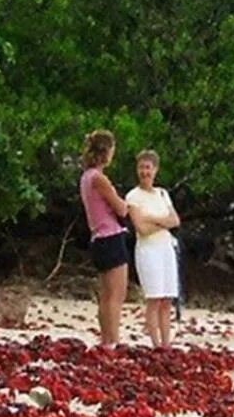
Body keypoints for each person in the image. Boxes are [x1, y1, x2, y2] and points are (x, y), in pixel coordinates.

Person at [124, 149, 182, 347]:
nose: (144, 172)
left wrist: (153, 219)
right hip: (148, 250)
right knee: (154, 298)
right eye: (141, 167)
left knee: (167, 299)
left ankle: (167, 343)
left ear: (155, 170)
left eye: (148, 167)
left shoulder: (162, 193)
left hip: (166, 248)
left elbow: (175, 220)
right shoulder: (133, 196)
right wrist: (161, 222)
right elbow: (141, 228)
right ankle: (156, 344)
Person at [78, 129, 131, 346]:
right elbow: (121, 208)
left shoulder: (85, 177)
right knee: (116, 294)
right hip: (111, 237)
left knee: (106, 294)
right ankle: (113, 340)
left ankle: (105, 340)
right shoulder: (99, 179)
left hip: (97, 238)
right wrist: (127, 204)